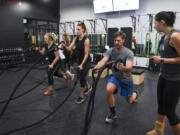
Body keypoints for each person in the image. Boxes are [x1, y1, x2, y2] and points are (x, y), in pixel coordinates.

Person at [146, 11, 180, 135]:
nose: (154, 26)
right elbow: (166, 55)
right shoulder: (164, 37)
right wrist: (161, 70)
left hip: (175, 79)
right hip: (164, 76)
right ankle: (158, 130)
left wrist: (161, 60)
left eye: (155, 23)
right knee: (161, 104)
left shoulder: (175, 36)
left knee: (170, 111)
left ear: (162, 22)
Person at [94, 31, 138, 124]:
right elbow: (103, 60)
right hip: (115, 76)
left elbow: (129, 68)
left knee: (129, 100)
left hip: (126, 79)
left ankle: (135, 95)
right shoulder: (111, 50)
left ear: (123, 40)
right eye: (115, 40)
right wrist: (97, 67)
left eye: (118, 40)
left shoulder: (128, 53)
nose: (116, 42)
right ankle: (113, 113)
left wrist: (123, 67)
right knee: (109, 90)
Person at [62, 22, 92, 104]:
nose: (77, 31)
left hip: (86, 62)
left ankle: (81, 96)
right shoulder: (75, 39)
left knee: (82, 78)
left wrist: (82, 65)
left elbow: (86, 54)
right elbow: (69, 48)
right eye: (76, 29)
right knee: (81, 76)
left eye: (78, 29)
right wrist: (65, 47)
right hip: (80, 61)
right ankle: (89, 87)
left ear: (83, 30)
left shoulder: (86, 40)